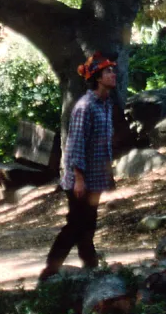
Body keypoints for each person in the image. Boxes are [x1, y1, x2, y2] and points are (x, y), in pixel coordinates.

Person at [38, 52, 117, 283]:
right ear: (97, 78)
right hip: (80, 180)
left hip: (96, 178)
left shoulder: (106, 105)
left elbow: (102, 143)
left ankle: (90, 267)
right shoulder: (85, 107)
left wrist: (108, 172)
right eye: (108, 72)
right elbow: (76, 145)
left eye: (113, 70)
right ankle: (50, 271)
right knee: (75, 225)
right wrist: (78, 179)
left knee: (88, 223)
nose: (113, 74)